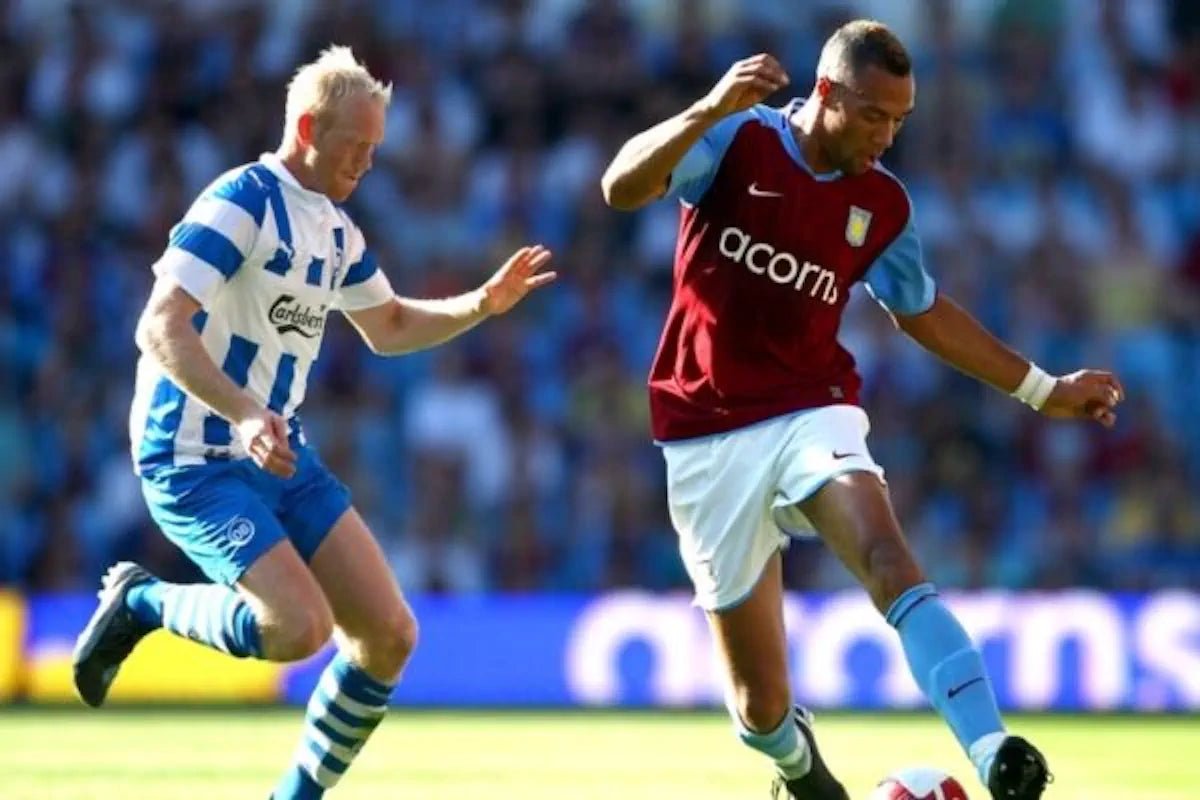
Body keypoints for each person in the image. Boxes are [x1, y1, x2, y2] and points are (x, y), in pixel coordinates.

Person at [600, 20, 1122, 800]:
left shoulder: (881, 205)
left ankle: (991, 751)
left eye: (900, 121)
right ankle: (797, 767)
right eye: (874, 116)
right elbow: (620, 188)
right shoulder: (737, 141)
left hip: (813, 410)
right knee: (760, 707)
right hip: (704, 431)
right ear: (827, 94)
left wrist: (1043, 390)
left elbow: (923, 311)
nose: (886, 137)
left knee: (886, 556)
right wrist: (706, 108)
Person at [72, 45, 554, 800]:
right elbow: (160, 326)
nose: (366, 163)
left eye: (374, 150)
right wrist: (241, 413)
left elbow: (389, 325)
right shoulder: (241, 201)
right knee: (299, 629)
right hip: (195, 455)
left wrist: (479, 306)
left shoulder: (335, 232)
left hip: (278, 451)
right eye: (355, 146)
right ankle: (142, 600)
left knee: (388, 637)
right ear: (307, 128)